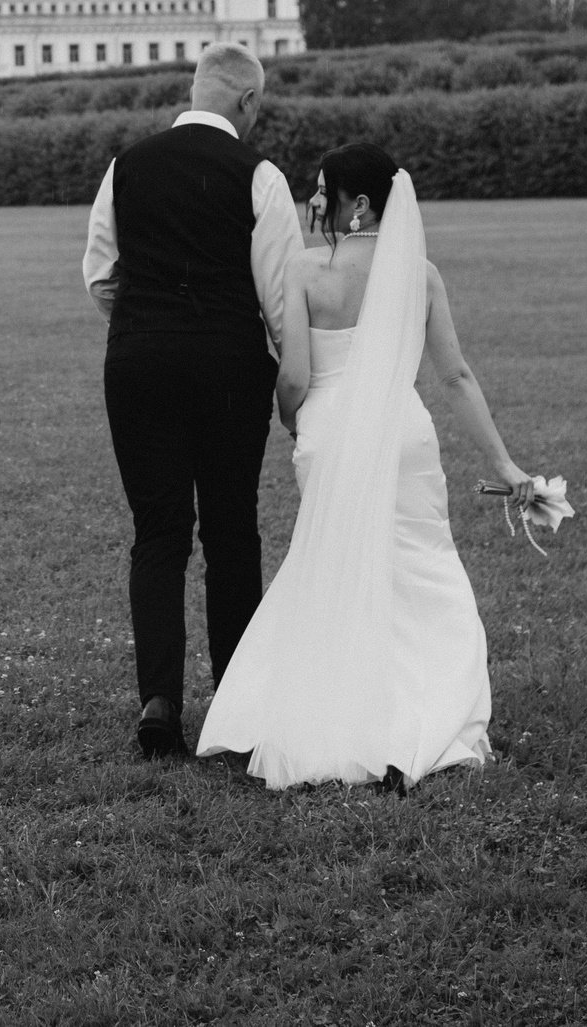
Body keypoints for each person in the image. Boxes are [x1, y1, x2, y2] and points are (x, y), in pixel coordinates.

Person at [196, 143, 539, 789]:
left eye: (326, 190)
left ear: (361, 203)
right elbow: (455, 375)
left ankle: (330, 713)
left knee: (332, 566)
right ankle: (423, 710)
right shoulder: (420, 273)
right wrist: (505, 462)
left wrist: (295, 420)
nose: (316, 200)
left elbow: (294, 374)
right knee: (419, 565)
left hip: (328, 433)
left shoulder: (304, 271)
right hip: (403, 436)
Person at [83, 44, 306, 759]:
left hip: (139, 360)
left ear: (194, 90)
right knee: (232, 530)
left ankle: (159, 702)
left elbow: (99, 276)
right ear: (247, 102)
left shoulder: (127, 165)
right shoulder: (261, 176)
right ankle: (236, 710)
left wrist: (148, 317)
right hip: (229, 366)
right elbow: (280, 294)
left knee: (158, 533)